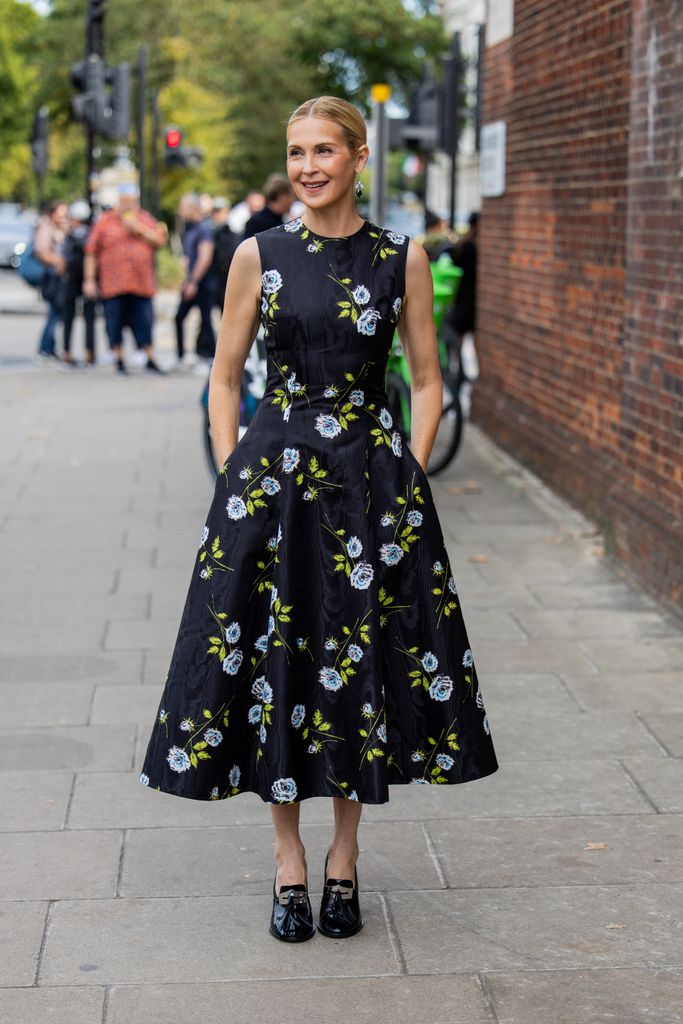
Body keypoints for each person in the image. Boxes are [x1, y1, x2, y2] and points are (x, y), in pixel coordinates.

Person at [138, 96, 498, 945]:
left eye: (324, 151)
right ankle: (288, 861)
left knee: (355, 668)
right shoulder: (254, 254)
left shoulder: (398, 257)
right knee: (277, 667)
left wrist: (408, 469)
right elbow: (225, 376)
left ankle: (344, 860)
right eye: (296, 151)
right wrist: (234, 470)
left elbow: (427, 376)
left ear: (357, 155)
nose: (307, 167)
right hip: (273, 490)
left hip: (368, 490)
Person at [83, 183, 167, 374]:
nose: (128, 205)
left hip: (141, 283)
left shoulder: (145, 219)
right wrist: (89, 279)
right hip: (114, 283)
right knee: (115, 322)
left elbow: (160, 240)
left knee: (145, 322)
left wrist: (138, 229)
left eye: (131, 201)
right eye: (124, 201)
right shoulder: (105, 221)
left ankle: (149, 357)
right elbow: (91, 251)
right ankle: (119, 358)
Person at [174, 193, 218, 365]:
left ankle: (210, 357)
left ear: (193, 208)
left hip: (203, 283)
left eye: (183, 207)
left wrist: (193, 281)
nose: (181, 211)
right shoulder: (190, 229)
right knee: (179, 317)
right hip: (192, 281)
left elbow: (204, 258)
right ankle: (181, 355)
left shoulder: (204, 229)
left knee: (206, 319)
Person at [444, 211, 480, 416]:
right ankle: (459, 380)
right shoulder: (471, 246)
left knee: (460, 349)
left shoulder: (462, 245)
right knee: (466, 347)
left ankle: (457, 377)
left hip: (462, 302)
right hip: (469, 303)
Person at [61, 200, 96, 368]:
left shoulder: (71, 236)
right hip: (88, 280)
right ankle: (89, 353)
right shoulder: (91, 234)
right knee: (89, 318)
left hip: (73, 280)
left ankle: (67, 352)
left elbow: (63, 258)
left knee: (69, 318)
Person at [33, 200, 67, 363]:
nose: (63, 218)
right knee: (54, 313)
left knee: (56, 313)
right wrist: (57, 261)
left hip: (58, 276)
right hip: (51, 276)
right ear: (52, 214)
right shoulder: (46, 229)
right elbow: (41, 252)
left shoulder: (58, 229)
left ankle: (50, 348)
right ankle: (44, 348)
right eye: (61, 214)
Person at [210, 197, 240, 313]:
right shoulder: (210, 232)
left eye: (219, 211)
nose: (216, 215)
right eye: (214, 211)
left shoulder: (233, 235)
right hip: (213, 282)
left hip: (227, 282)